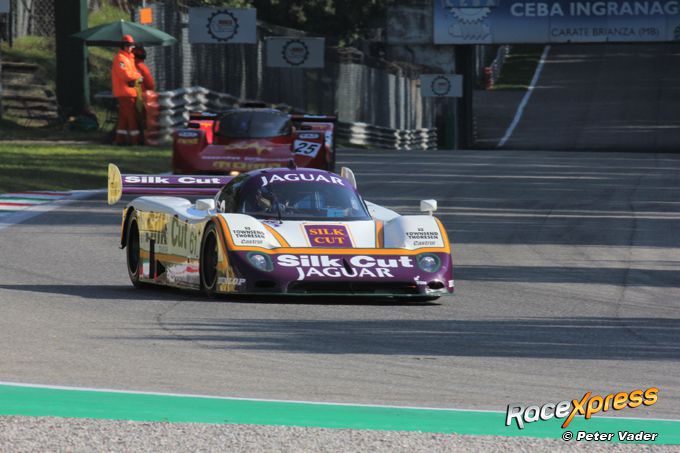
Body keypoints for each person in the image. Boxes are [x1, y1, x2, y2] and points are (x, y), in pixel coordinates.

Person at [111, 34, 142, 145]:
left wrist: (136, 75)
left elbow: (131, 73)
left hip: (128, 92)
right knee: (132, 117)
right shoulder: (121, 59)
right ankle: (135, 141)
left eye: (132, 45)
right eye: (128, 45)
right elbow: (125, 75)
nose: (130, 48)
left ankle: (120, 140)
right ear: (123, 46)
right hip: (125, 93)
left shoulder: (128, 58)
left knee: (123, 118)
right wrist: (138, 76)